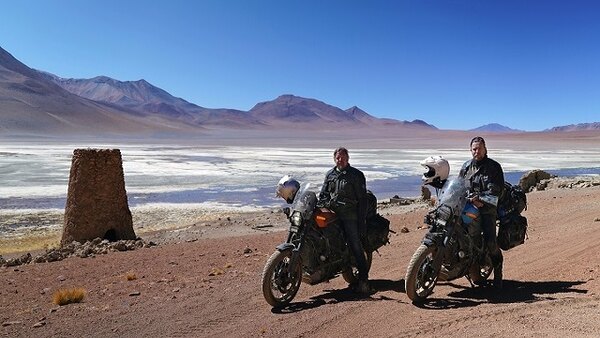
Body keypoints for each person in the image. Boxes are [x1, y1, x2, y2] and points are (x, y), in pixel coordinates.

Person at [318, 147, 372, 294]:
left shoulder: (356, 175)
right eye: (337, 157)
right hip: (333, 214)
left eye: (342, 157)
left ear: (347, 158)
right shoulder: (330, 174)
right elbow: (323, 194)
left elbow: (362, 199)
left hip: (350, 215)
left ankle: (364, 280)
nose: (339, 160)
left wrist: (361, 222)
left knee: (355, 244)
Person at [458, 136, 505, 289]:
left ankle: (498, 272)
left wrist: (482, 200)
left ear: (485, 149)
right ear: (470, 150)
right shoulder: (466, 166)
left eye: (479, 149)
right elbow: (458, 186)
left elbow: (496, 191)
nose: (476, 152)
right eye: (474, 149)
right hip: (468, 206)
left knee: (491, 242)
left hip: (487, 208)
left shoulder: (494, 167)